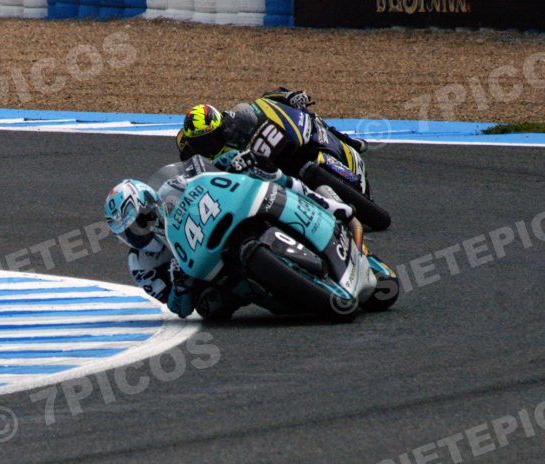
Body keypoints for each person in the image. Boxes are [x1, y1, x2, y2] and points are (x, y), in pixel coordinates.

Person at [104, 155, 356, 319]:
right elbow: (177, 309)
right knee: (210, 307)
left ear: (150, 202)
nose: (139, 231)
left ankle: (324, 205)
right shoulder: (141, 265)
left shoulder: (171, 188)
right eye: (129, 232)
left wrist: (227, 163)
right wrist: (180, 286)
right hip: (210, 274)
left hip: (224, 222)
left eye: (139, 221)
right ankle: (279, 290)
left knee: (263, 176)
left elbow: (205, 172)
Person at [175, 87, 371, 199]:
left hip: (266, 151)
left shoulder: (231, 123)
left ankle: (347, 140)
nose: (208, 144)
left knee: (308, 115)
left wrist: (288, 96)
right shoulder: (189, 151)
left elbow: (261, 104)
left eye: (211, 137)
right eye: (202, 142)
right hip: (251, 183)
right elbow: (194, 175)